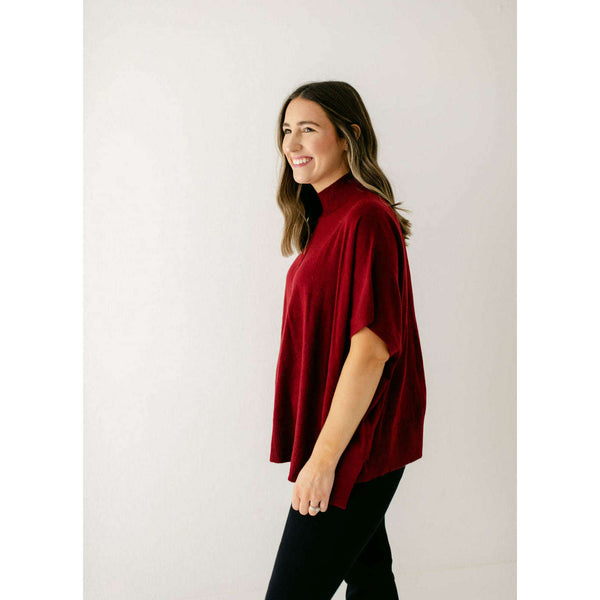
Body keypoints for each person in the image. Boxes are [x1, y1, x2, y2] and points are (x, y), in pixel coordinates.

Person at [265, 81, 427, 600]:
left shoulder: (366, 217)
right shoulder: (326, 219)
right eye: (287, 131)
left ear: (348, 136)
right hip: (340, 431)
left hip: (359, 440)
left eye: (308, 129)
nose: (292, 144)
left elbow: (372, 350)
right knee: (371, 581)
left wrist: (324, 459)